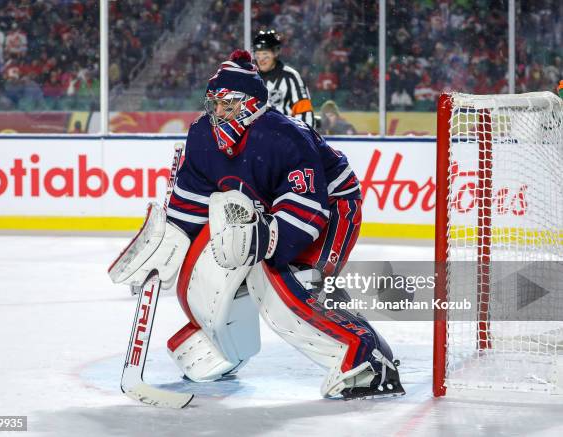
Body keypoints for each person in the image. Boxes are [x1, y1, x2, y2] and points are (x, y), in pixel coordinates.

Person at [108, 50, 404, 400]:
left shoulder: (285, 136)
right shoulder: (203, 135)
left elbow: (307, 209)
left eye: (226, 105)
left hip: (332, 209)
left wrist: (268, 239)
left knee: (287, 281)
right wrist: (165, 245)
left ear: (250, 104)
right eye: (213, 104)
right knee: (211, 260)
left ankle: (366, 358)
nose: (217, 113)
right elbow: (190, 206)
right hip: (269, 209)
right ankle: (222, 346)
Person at [252, 29, 315, 128]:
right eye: (258, 55)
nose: (261, 60)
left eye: (265, 54)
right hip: (255, 138)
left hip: (285, 138)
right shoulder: (250, 77)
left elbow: (304, 113)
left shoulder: (291, 77)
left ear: (275, 53)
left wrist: (302, 139)